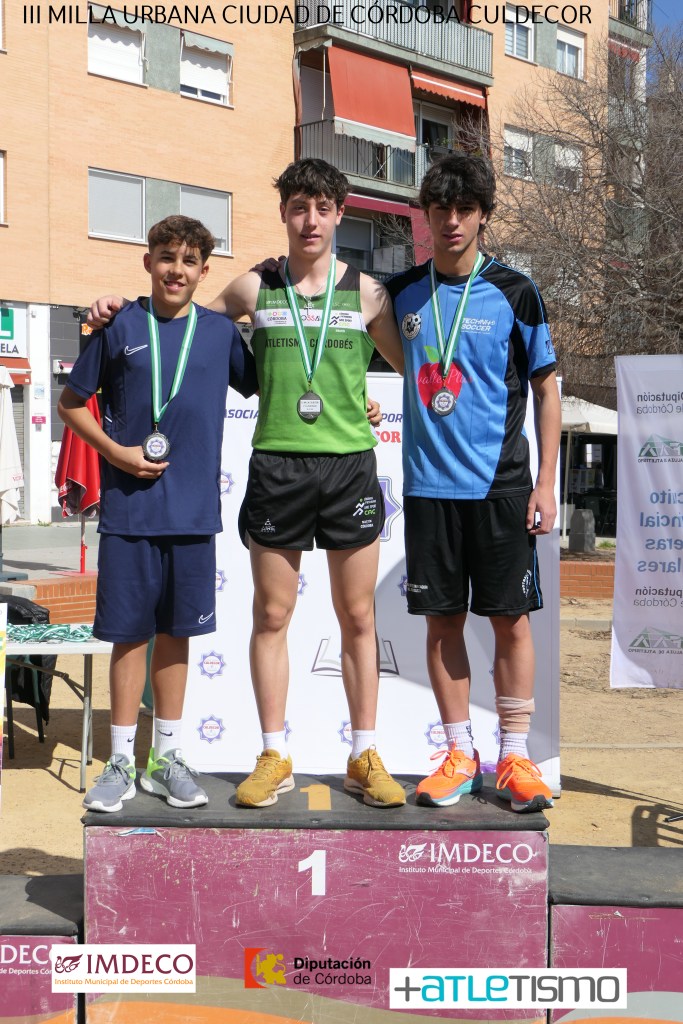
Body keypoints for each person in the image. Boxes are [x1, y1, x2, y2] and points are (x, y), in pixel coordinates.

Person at [88, 159, 407, 811]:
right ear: (284, 213)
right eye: (299, 207)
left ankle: (364, 753)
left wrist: (369, 399)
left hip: (349, 467)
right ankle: (273, 754)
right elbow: (179, 334)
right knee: (271, 615)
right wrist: (115, 311)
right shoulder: (253, 288)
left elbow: (411, 371)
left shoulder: (371, 294)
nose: (310, 220)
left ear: (340, 214)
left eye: (322, 208)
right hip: (277, 468)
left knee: (358, 616)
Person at [59, 215, 257, 813]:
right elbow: (72, 404)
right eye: (167, 258)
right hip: (130, 512)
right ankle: (121, 759)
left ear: (204, 271)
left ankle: (164, 757)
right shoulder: (119, 324)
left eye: (189, 261)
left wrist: (361, 403)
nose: (177, 270)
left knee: (176, 635)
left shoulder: (220, 333)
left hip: (194, 514)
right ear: (149, 262)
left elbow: (271, 387)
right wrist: (115, 453)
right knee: (128, 637)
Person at [386, 154, 561, 812]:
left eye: (465, 209)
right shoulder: (401, 292)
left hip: (501, 487)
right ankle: (459, 755)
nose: (452, 221)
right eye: (441, 210)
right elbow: (334, 305)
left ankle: (514, 756)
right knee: (442, 626)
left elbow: (546, 389)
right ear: (426, 216)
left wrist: (546, 483)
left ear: (483, 215)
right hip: (430, 489)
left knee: (510, 624)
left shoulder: (516, 291)